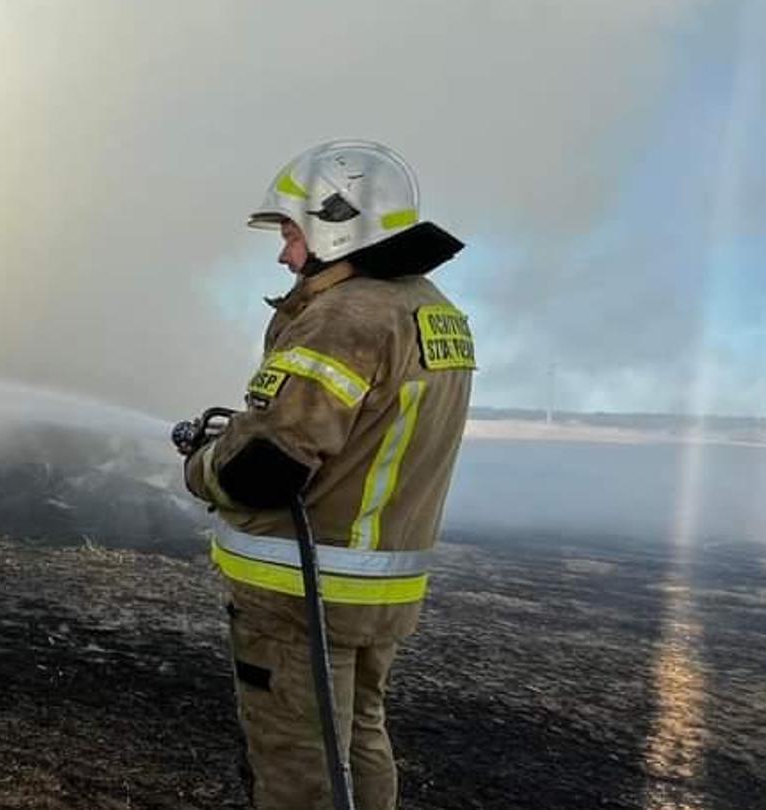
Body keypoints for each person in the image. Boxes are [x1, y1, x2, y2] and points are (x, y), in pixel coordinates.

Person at [177, 140, 474, 810]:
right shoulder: (433, 311)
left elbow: (266, 466)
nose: (284, 253)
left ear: (340, 221)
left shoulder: (344, 317)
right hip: (374, 590)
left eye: (290, 231)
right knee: (357, 743)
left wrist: (201, 469)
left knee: (301, 768)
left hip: (299, 595)